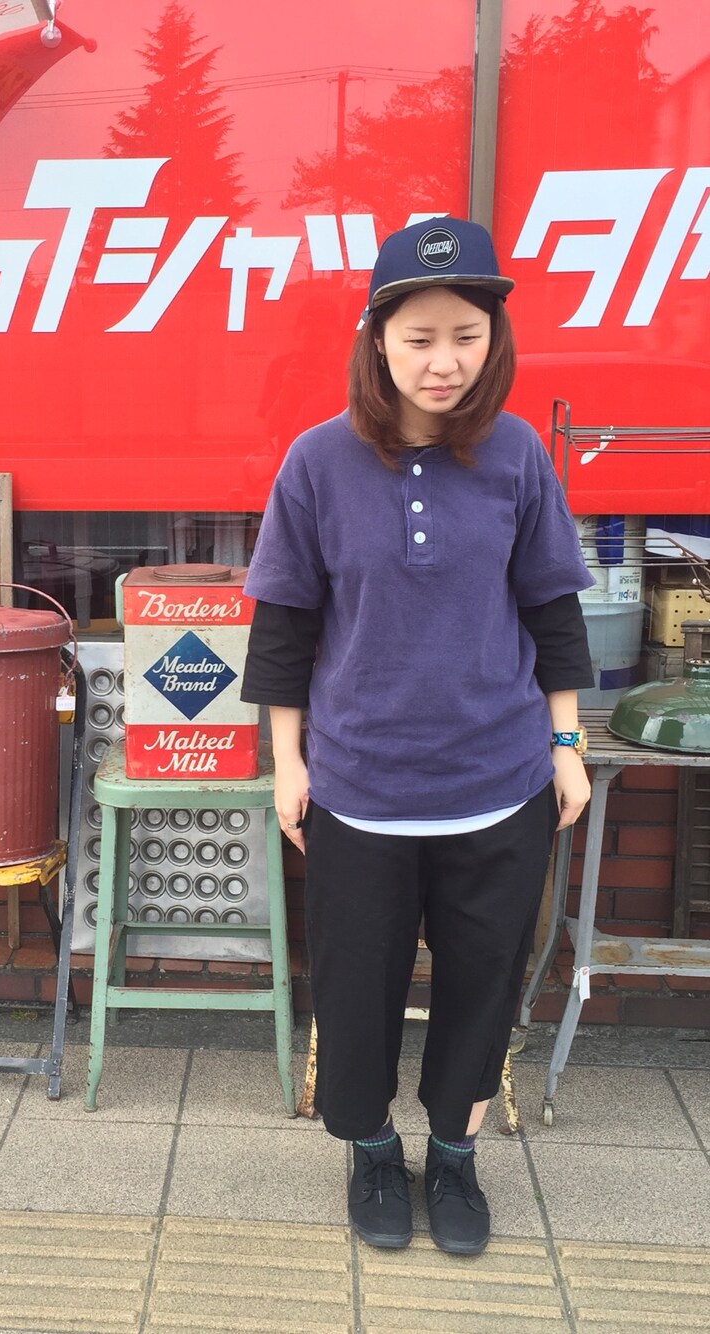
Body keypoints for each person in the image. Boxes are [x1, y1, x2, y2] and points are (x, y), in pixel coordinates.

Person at [240, 216, 595, 1257]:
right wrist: (288, 764)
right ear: (377, 341)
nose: (444, 361)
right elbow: (285, 626)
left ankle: (452, 1155)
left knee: (483, 988)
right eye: (419, 338)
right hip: (359, 788)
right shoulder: (317, 462)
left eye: (466, 337)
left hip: (499, 781)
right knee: (356, 993)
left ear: (495, 341)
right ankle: (368, 1149)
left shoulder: (516, 453)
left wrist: (565, 743)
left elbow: (551, 607)